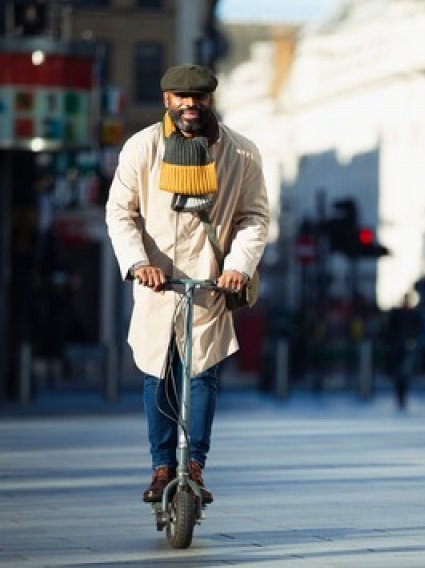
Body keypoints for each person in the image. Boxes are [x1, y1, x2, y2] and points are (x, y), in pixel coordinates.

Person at [105, 64, 269, 505]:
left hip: (209, 281)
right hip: (157, 281)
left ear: (211, 100)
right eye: (181, 96)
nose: (190, 104)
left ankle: (194, 462)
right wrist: (138, 262)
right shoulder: (143, 147)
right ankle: (162, 467)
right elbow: (120, 212)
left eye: (198, 97)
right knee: (157, 374)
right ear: (166, 100)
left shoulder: (242, 153)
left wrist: (237, 266)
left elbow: (255, 218)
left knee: (202, 375)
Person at [385, 292, 423, 410]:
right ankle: (400, 396)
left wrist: (413, 340)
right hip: (397, 348)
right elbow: (389, 329)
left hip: (408, 347)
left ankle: (403, 395)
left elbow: (418, 329)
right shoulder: (397, 313)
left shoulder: (414, 314)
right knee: (399, 374)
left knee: (405, 373)